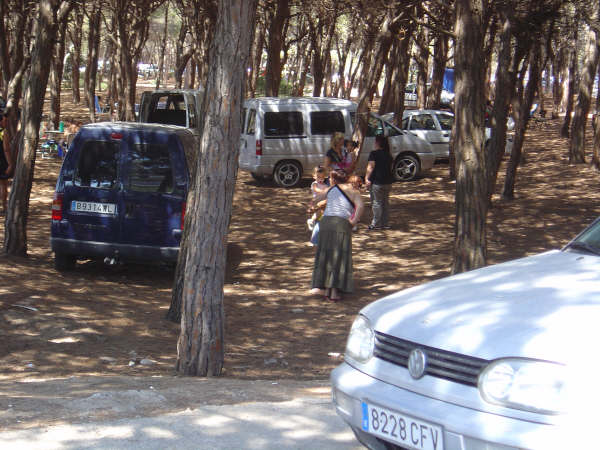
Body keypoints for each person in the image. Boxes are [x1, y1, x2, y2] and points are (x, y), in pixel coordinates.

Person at [311, 169, 363, 302]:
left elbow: (316, 198)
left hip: (326, 222)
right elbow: (361, 207)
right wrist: (352, 222)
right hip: (341, 223)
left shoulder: (331, 189)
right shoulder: (353, 191)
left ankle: (326, 288)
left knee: (326, 253)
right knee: (338, 255)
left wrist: (316, 205)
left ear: (334, 179)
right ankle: (333, 291)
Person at [365, 135, 393, 230]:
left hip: (377, 182)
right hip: (388, 182)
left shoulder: (374, 154)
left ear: (378, 143)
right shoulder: (388, 154)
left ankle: (376, 223)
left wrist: (367, 178)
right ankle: (385, 223)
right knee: (385, 202)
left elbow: (371, 167)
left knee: (376, 203)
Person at [307, 165, 329, 231]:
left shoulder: (325, 185)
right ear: (314, 176)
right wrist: (325, 191)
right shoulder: (314, 184)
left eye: (322, 177)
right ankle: (311, 221)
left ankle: (320, 223)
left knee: (324, 213)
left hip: (324, 202)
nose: (320, 179)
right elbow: (316, 189)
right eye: (318, 177)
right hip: (316, 201)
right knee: (317, 213)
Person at [0, 110, 14, 214]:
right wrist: (10, 163)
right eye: (4, 121)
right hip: (2, 161)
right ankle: (4, 207)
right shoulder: (3, 132)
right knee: (3, 185)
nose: (5, 123)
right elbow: (6, 149)